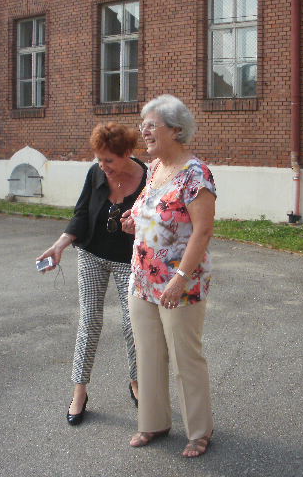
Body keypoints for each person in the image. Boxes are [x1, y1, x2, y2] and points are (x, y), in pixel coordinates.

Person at [120, 95, 216, 458]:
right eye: (142, 125)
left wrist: (180, 277)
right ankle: (153, 422)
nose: (143, 131)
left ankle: (200, 431)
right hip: (142, 280)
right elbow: (151, 212)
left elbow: (203, 230)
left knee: (185, 357)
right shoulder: (155, 167)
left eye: (151, 125)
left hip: (180, 284)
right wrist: (134, 221)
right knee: (148, 353)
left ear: (176, 130)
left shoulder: (196, 174)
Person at [37, 122, 147, 425]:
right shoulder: (95, 173)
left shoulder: (147, 178)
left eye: (109, 160)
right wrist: (60, 244)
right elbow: (81, 213)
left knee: (133, 325)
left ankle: (136, 381)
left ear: (127, 153)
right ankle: (80, 391)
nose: (103, 166)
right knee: (89, 321)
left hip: (128, 260)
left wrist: (140, 225)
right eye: (99, 159)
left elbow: (156, 222)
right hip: (91, 255)